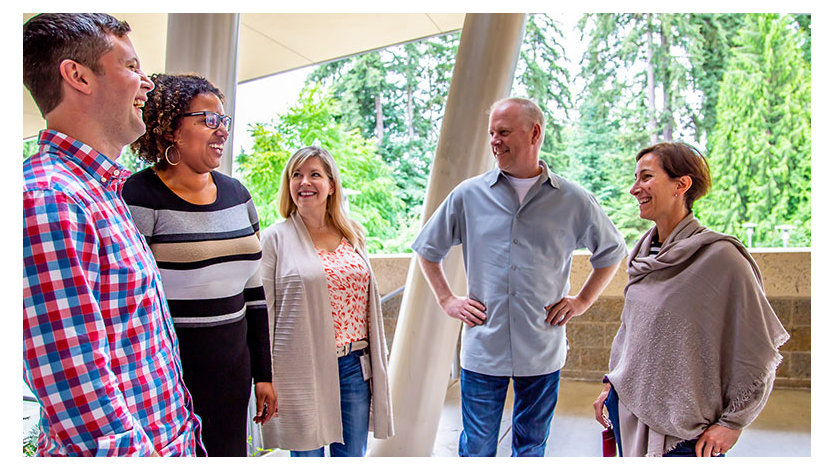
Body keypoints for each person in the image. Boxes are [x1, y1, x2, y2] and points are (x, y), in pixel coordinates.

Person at [22, 13, 202, 456]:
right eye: (131, 67)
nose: (148, 84)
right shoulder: (48, 198)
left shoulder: (98, 190)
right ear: (78, 75)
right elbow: (76, 387)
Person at [412, 97, 627, 457]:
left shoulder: (573, 200)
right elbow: (427, 249)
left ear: (535, 133)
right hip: (483, 347)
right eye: (492, 132)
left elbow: (611, 252)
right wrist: (447, 299)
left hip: (542, 348)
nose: (495, 140)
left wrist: (582, 301)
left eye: (504, 131)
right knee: (477, 449)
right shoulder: (468, 195)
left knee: (531, 448)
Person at [592, 142, 789, 457]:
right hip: (627, 410)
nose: (634, 189)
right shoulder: (643, 256)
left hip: (686, 434)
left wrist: (734, 422)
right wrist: (611, 383)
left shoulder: (722, 259)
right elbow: (630, 331)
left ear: (681, 185)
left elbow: (759, 351)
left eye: (645, 177)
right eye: (635, 178)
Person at [122, 73, 277, 457]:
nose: (221, 130)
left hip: (233, 371)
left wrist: (264, 375)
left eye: (223, 121)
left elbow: (253, 294)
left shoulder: (237, 195)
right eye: (208, 120)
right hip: (168, 376)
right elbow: (129, 301)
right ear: (172, 128)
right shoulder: (139, 196)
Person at [259, 146, 394, 457]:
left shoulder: (353, 235)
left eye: (315, 175)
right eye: (297, 175)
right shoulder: (274, 239)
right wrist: (265, 377)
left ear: (332, 185)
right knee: (307, 456)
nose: (305, 182)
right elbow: (264, 312)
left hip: (354, 367)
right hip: (303, 366)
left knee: (352, 456)